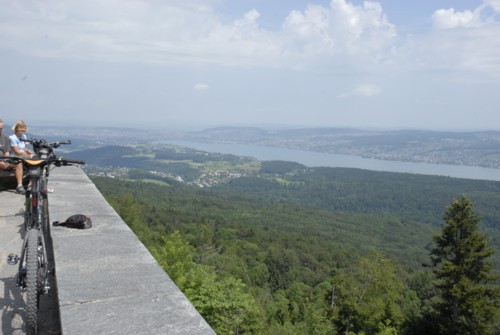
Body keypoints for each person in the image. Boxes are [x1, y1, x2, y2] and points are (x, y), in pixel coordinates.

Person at [0, 119, 25, 194]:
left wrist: (6, 160)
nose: (0, 130)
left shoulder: (5, 137)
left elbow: (7, 152)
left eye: (1, 128)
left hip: (4, 160)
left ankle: (19, 185)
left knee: (19, 163)